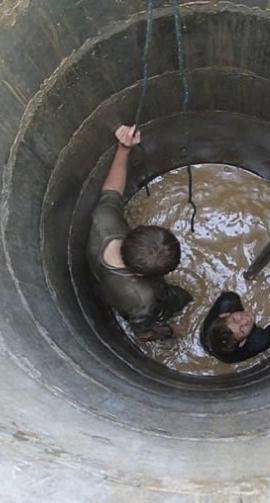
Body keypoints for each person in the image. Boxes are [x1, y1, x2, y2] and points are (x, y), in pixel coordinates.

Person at [87, 124, 192, 342]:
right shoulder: (142, 298)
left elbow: (111, 192)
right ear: (142, 275)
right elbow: (143, 333)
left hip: (103, 281)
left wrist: (123, 149)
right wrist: (172, 331)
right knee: (183, 299)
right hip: (124, 294)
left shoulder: (104, 222)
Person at [200, 291, 270, 363]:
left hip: (208, 335)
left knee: (229, 299)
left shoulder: (227, 300)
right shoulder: (260, 340)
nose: (245, 320)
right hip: (216, 348)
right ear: (243, 342)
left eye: (235, 320)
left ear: (224, 314)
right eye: (242, 330)